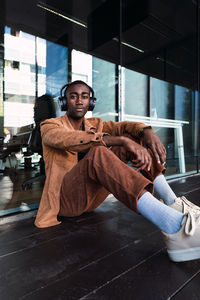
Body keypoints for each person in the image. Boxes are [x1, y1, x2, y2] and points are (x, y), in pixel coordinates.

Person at [35, 80, 200, 263]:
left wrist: (147, 132)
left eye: (85, 96)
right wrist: (119, 140)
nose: (79, 101)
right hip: (66, 202)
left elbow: (125, 127)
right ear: (64, 102)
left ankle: (172, 202)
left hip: (90, 200)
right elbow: (67, 139)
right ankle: (175, 227)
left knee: (131, 138)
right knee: (100, 151)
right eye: (73, 97)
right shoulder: (50, 125)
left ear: (91, 102)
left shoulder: (95, 123)